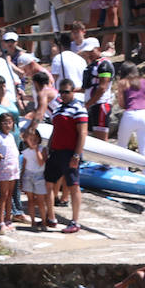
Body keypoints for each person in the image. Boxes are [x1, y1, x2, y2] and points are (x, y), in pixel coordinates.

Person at [45, 78, 87, 233]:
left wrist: (76, 155)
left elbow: (82, 133)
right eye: (61, 92)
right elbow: (54, 131)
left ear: (73, 91)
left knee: (73, 186)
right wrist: (48, 148)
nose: (63, 95)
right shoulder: (57, 109)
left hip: (69, 153)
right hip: (55, 152)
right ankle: (51, 217)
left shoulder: (79, 109)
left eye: (66, 92)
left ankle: (75, 221)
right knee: (48, 183)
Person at [18, 124, 52, 230]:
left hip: (39, 176)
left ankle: (43, 222)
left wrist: (37, 150)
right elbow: (23, 166)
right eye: (30, 139)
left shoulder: (43, 149)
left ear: (38, 139)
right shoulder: (25, 152)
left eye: (35, 139)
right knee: (31, 200)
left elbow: (41, 162)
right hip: (28, 175)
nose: (33, 141)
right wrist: (21, 179)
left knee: (41, 201)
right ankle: (33, 221)